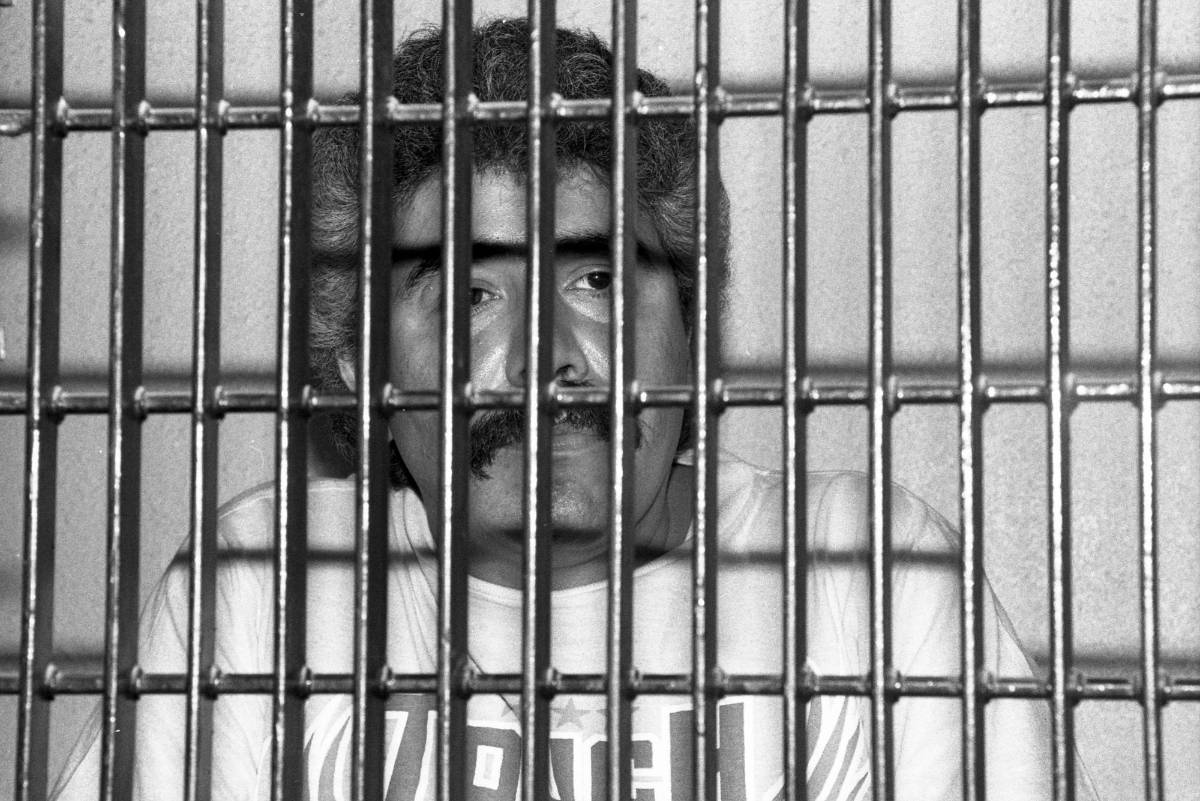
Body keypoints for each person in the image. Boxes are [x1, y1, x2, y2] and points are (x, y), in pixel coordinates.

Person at [52, 18, 1087, 801]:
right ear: (363, 366)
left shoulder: (869, 569)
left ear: (690, 334)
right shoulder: (262, 584)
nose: (546, 355)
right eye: (469, 295)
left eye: (597, 281)